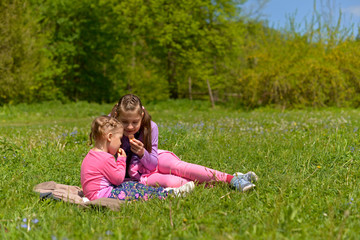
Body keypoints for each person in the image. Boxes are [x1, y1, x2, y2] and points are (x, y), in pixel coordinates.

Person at [110, 94, 258, 192]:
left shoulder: (150, 127)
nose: (130, 127)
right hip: (141, 176)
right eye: (125, 122)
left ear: (142, 116)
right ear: (117, 117)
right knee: (176, 182)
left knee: (179, 167)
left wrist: (142, 153)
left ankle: (233, 179)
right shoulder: (110, 129)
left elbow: (152, 163)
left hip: (155, 160)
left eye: (135, 122)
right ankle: (227, 180)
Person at [80, 115, 194, 202]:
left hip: (94, 194)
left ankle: (164, 190)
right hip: (102, 195)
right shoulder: (106, 158)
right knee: (134, 192)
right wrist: (121, 160)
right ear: (110, 137)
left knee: (131, 184)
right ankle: (169, 194)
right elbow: (118, 179)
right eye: (119, 138)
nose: (120, 143)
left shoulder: (91, 154)